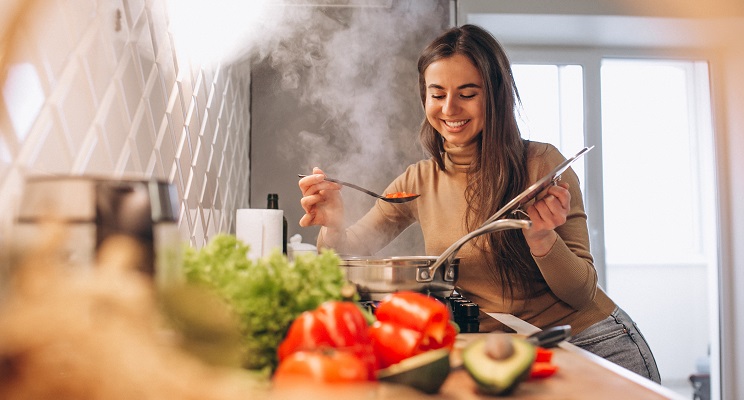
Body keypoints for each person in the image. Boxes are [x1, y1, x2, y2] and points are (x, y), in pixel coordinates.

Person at [298, 24, 660, 383]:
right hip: (507, 352)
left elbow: (581, 294)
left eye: (467, 93)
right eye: (437, 94)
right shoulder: (418, 181)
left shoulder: (541, 165)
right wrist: (333, 224)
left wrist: (542, 239)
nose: (449, 108)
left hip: (590, 343)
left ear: (495, 96)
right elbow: (346, 254)